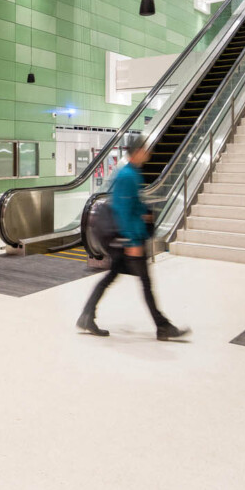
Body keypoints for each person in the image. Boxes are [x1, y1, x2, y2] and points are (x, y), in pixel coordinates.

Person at [77, 141, 184, 341]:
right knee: (144, 283)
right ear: (136, 152)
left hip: (131, 237)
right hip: (129, 239)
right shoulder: (127, 176)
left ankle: (87, 316)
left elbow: (132, 206)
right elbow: (123, 211)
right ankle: (162, 326)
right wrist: (131, 241)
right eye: (144, 149)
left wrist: (145, 214)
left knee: (115, 278)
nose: (148, 152)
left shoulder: (132, 173)